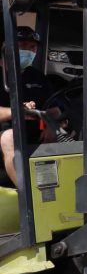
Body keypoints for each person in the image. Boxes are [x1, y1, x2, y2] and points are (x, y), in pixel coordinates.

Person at [0, 26, 51, 186]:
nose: (28, 51)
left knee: (62, 136)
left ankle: (51, 191)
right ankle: (26, 194)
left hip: (33, 132)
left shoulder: (37, 77)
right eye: (22, 45)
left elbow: (52, 107)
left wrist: (49, 124)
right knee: (9, 137)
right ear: (6, 47)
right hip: (5, 133)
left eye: (32, 47)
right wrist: (17, 112)